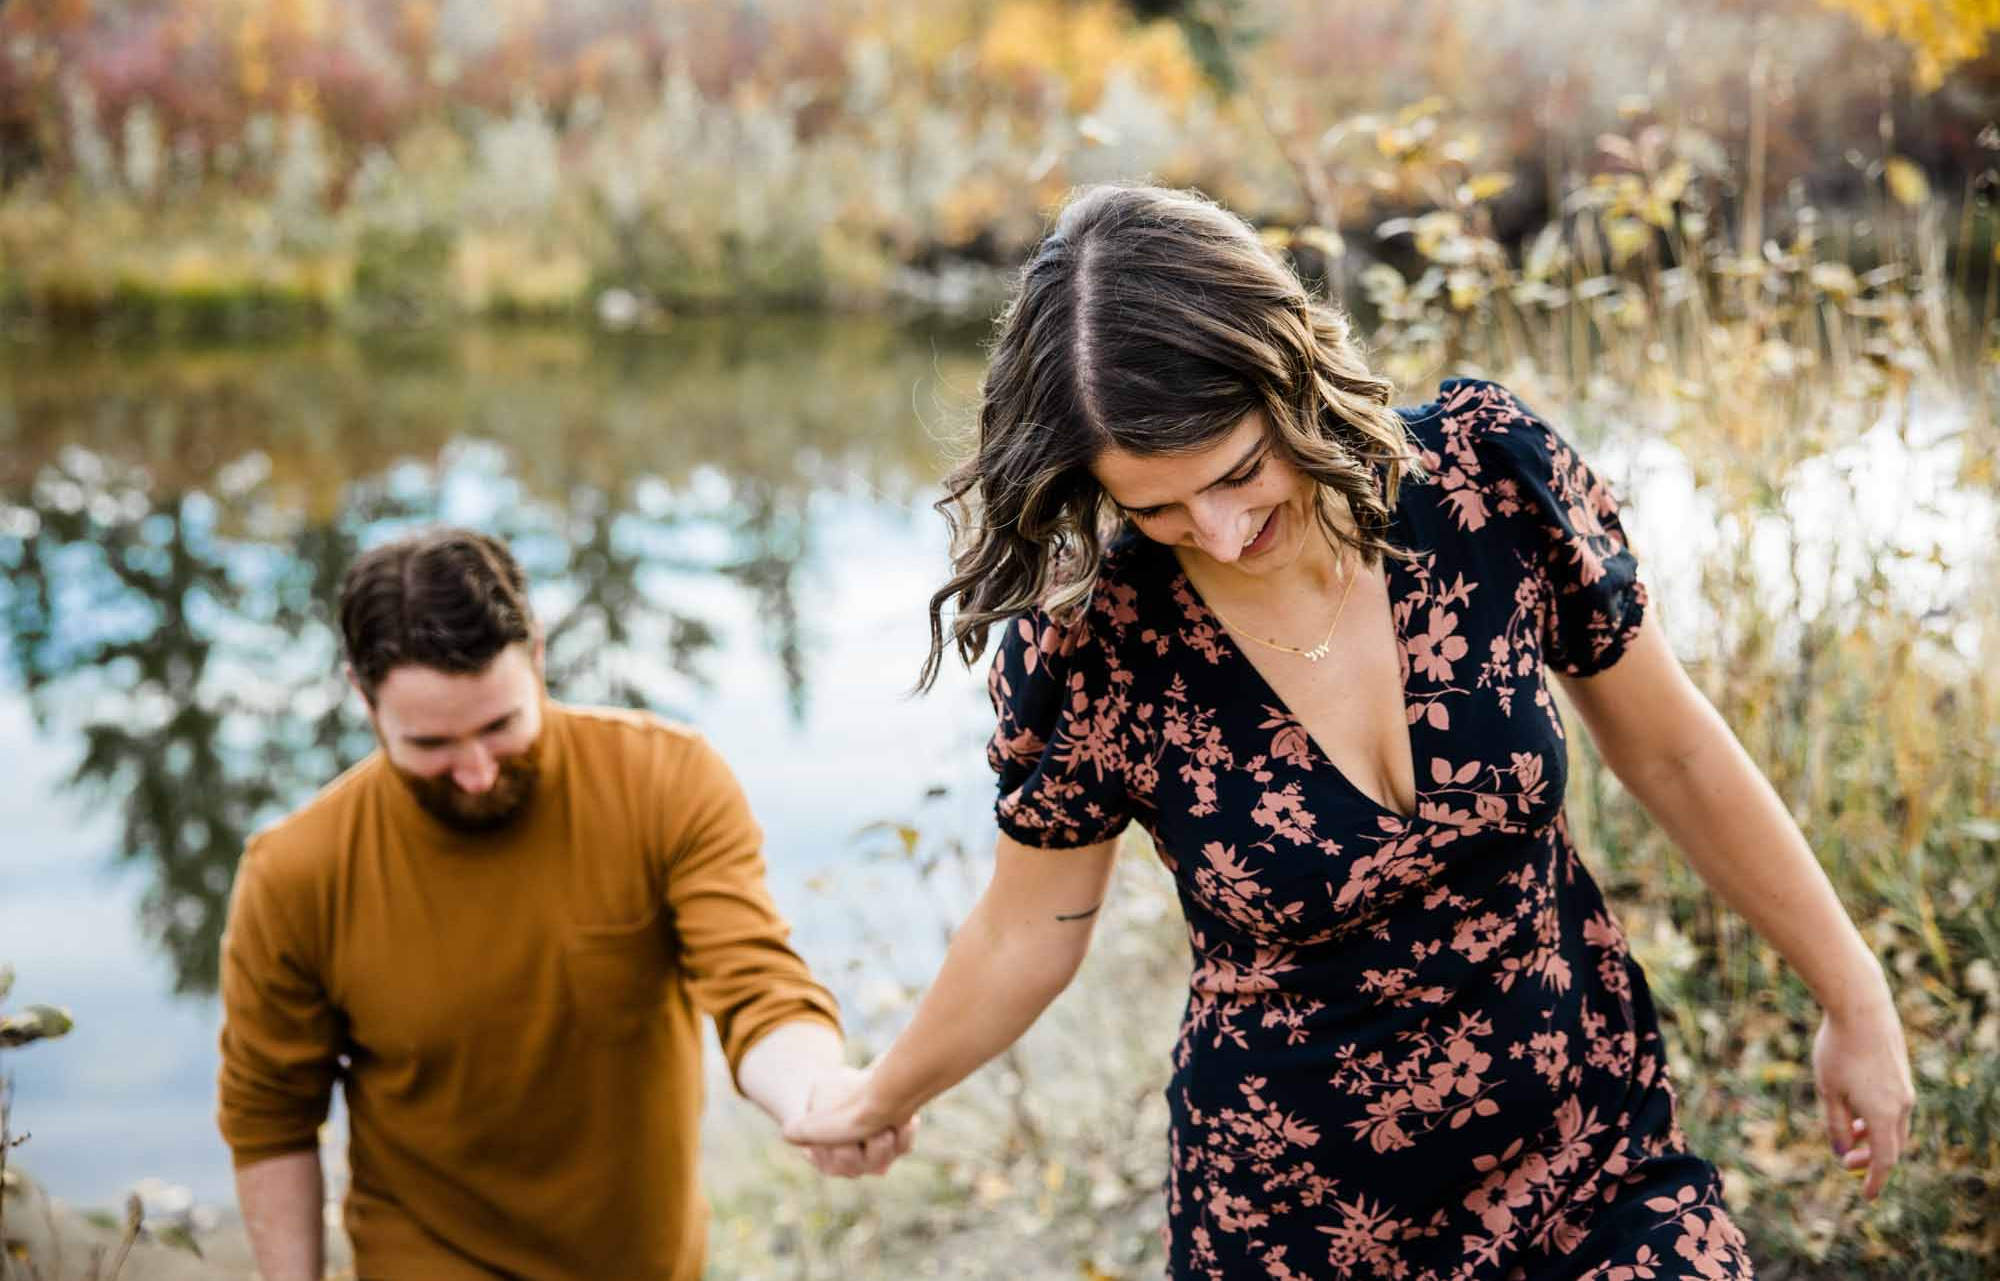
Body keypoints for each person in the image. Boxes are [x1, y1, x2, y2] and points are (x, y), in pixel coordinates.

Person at [785, 185, 1916, 1278]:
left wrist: (1850, 994)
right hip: (1296, 1219)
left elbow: (1673, 752)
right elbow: (1025, 932)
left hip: (1587, 1150)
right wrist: (879, 1095)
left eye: (1238, 471)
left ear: (1291, 373)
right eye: (1157, 507)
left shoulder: (1485, 480)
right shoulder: (1097, 650)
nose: (1220, 533)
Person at [216, 527, 909, 1280]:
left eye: (500, 725)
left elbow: (758, 987)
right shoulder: (294, 873)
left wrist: (819, 1094)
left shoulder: (666, 783)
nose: (477, 771)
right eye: (431, 743)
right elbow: (271, 1118)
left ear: (538, 656)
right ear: (362, 695)